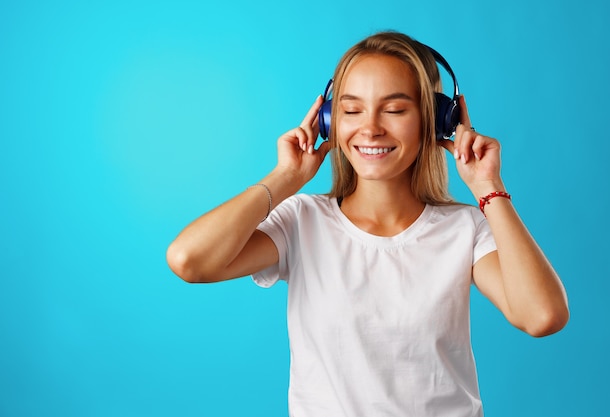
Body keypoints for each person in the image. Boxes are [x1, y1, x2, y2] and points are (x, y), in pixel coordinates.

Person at [166, 31, 569, 417]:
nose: (371, 127)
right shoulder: (302, 221)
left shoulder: (465, 229)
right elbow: (190, 260)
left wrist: (489, 188)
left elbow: (542, 316)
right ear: (328, 120)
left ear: (437, 119)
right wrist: (284, 178)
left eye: (394, 110)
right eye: (351, 109)